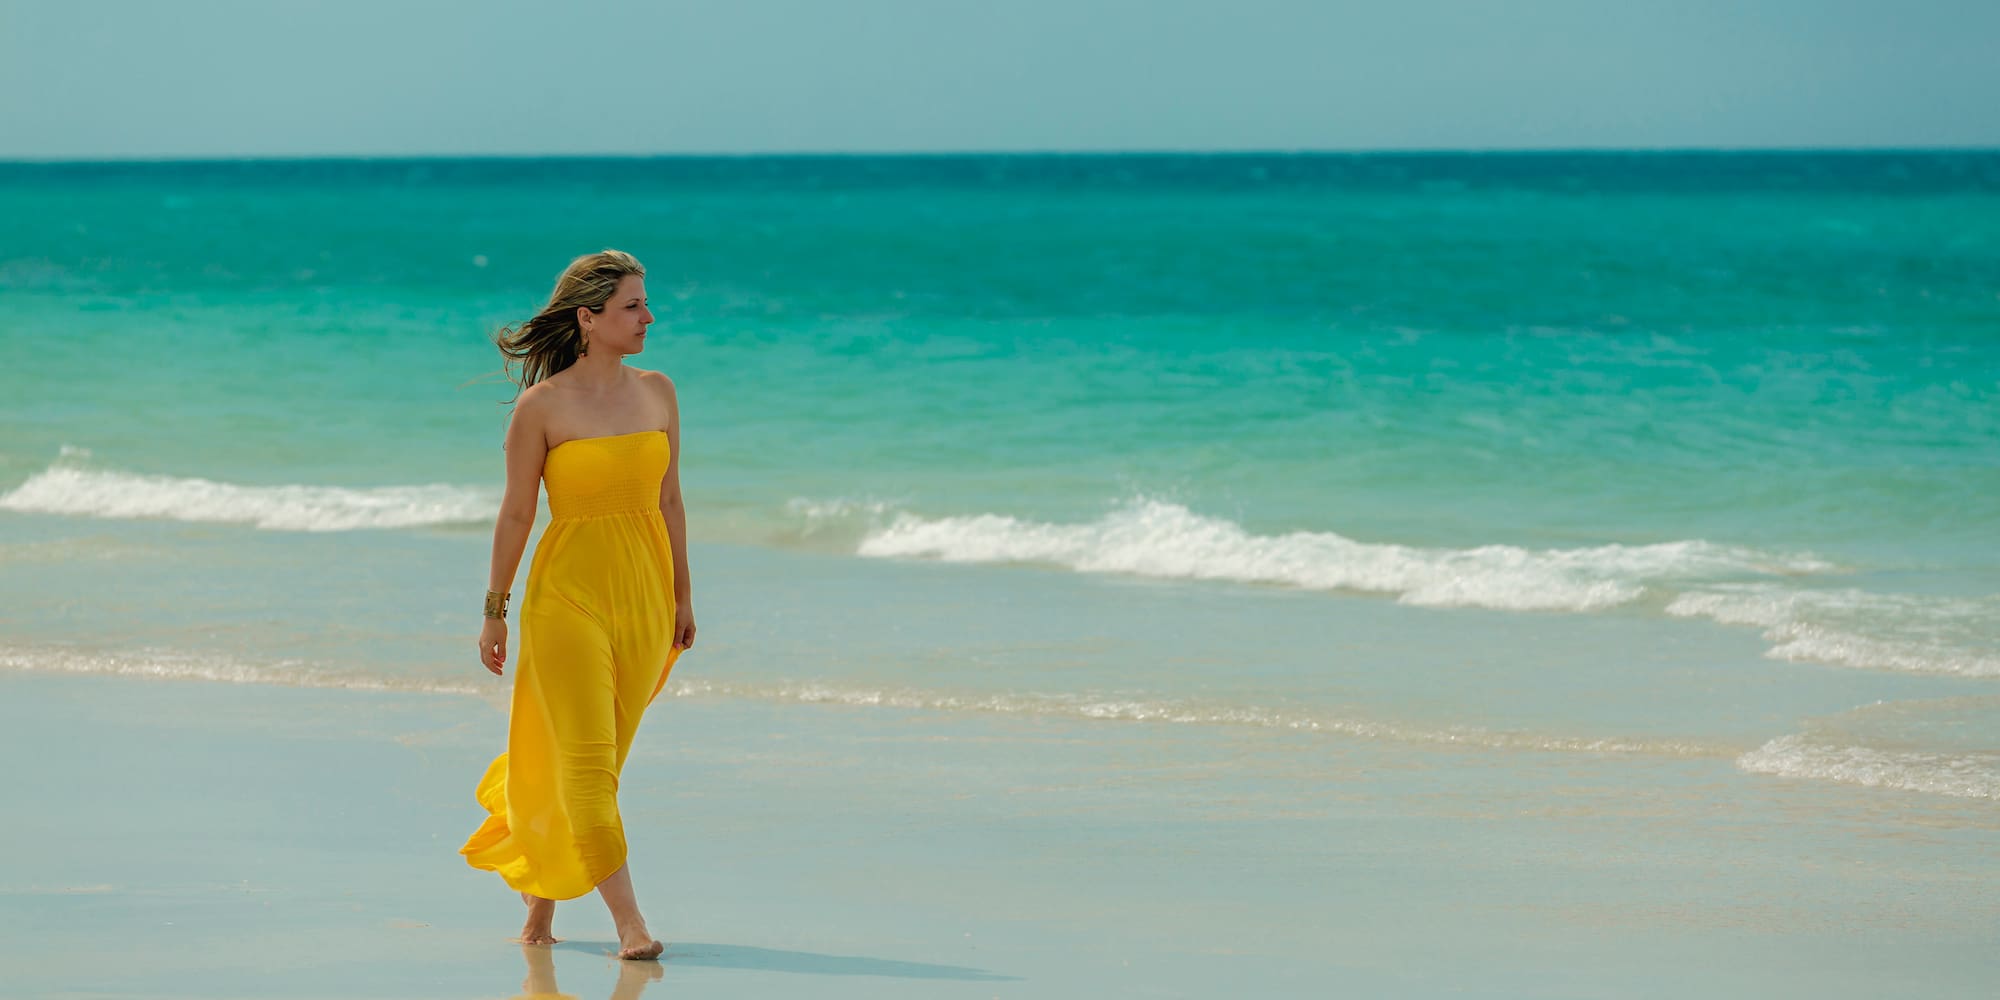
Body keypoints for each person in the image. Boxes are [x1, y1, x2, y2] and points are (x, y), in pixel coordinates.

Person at [459, 249, 695, 962]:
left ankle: (539, 913)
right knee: (590, 766)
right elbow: (515, 516)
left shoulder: (659, 391)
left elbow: (670, 499)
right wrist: (495, 610)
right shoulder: (543, 406)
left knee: (597, 761)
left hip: (645, 600)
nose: (648, 317)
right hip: (566, 600)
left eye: (646, 303)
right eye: (632, 306)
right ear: (588, 318)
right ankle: (631, 925)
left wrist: (683, 595)